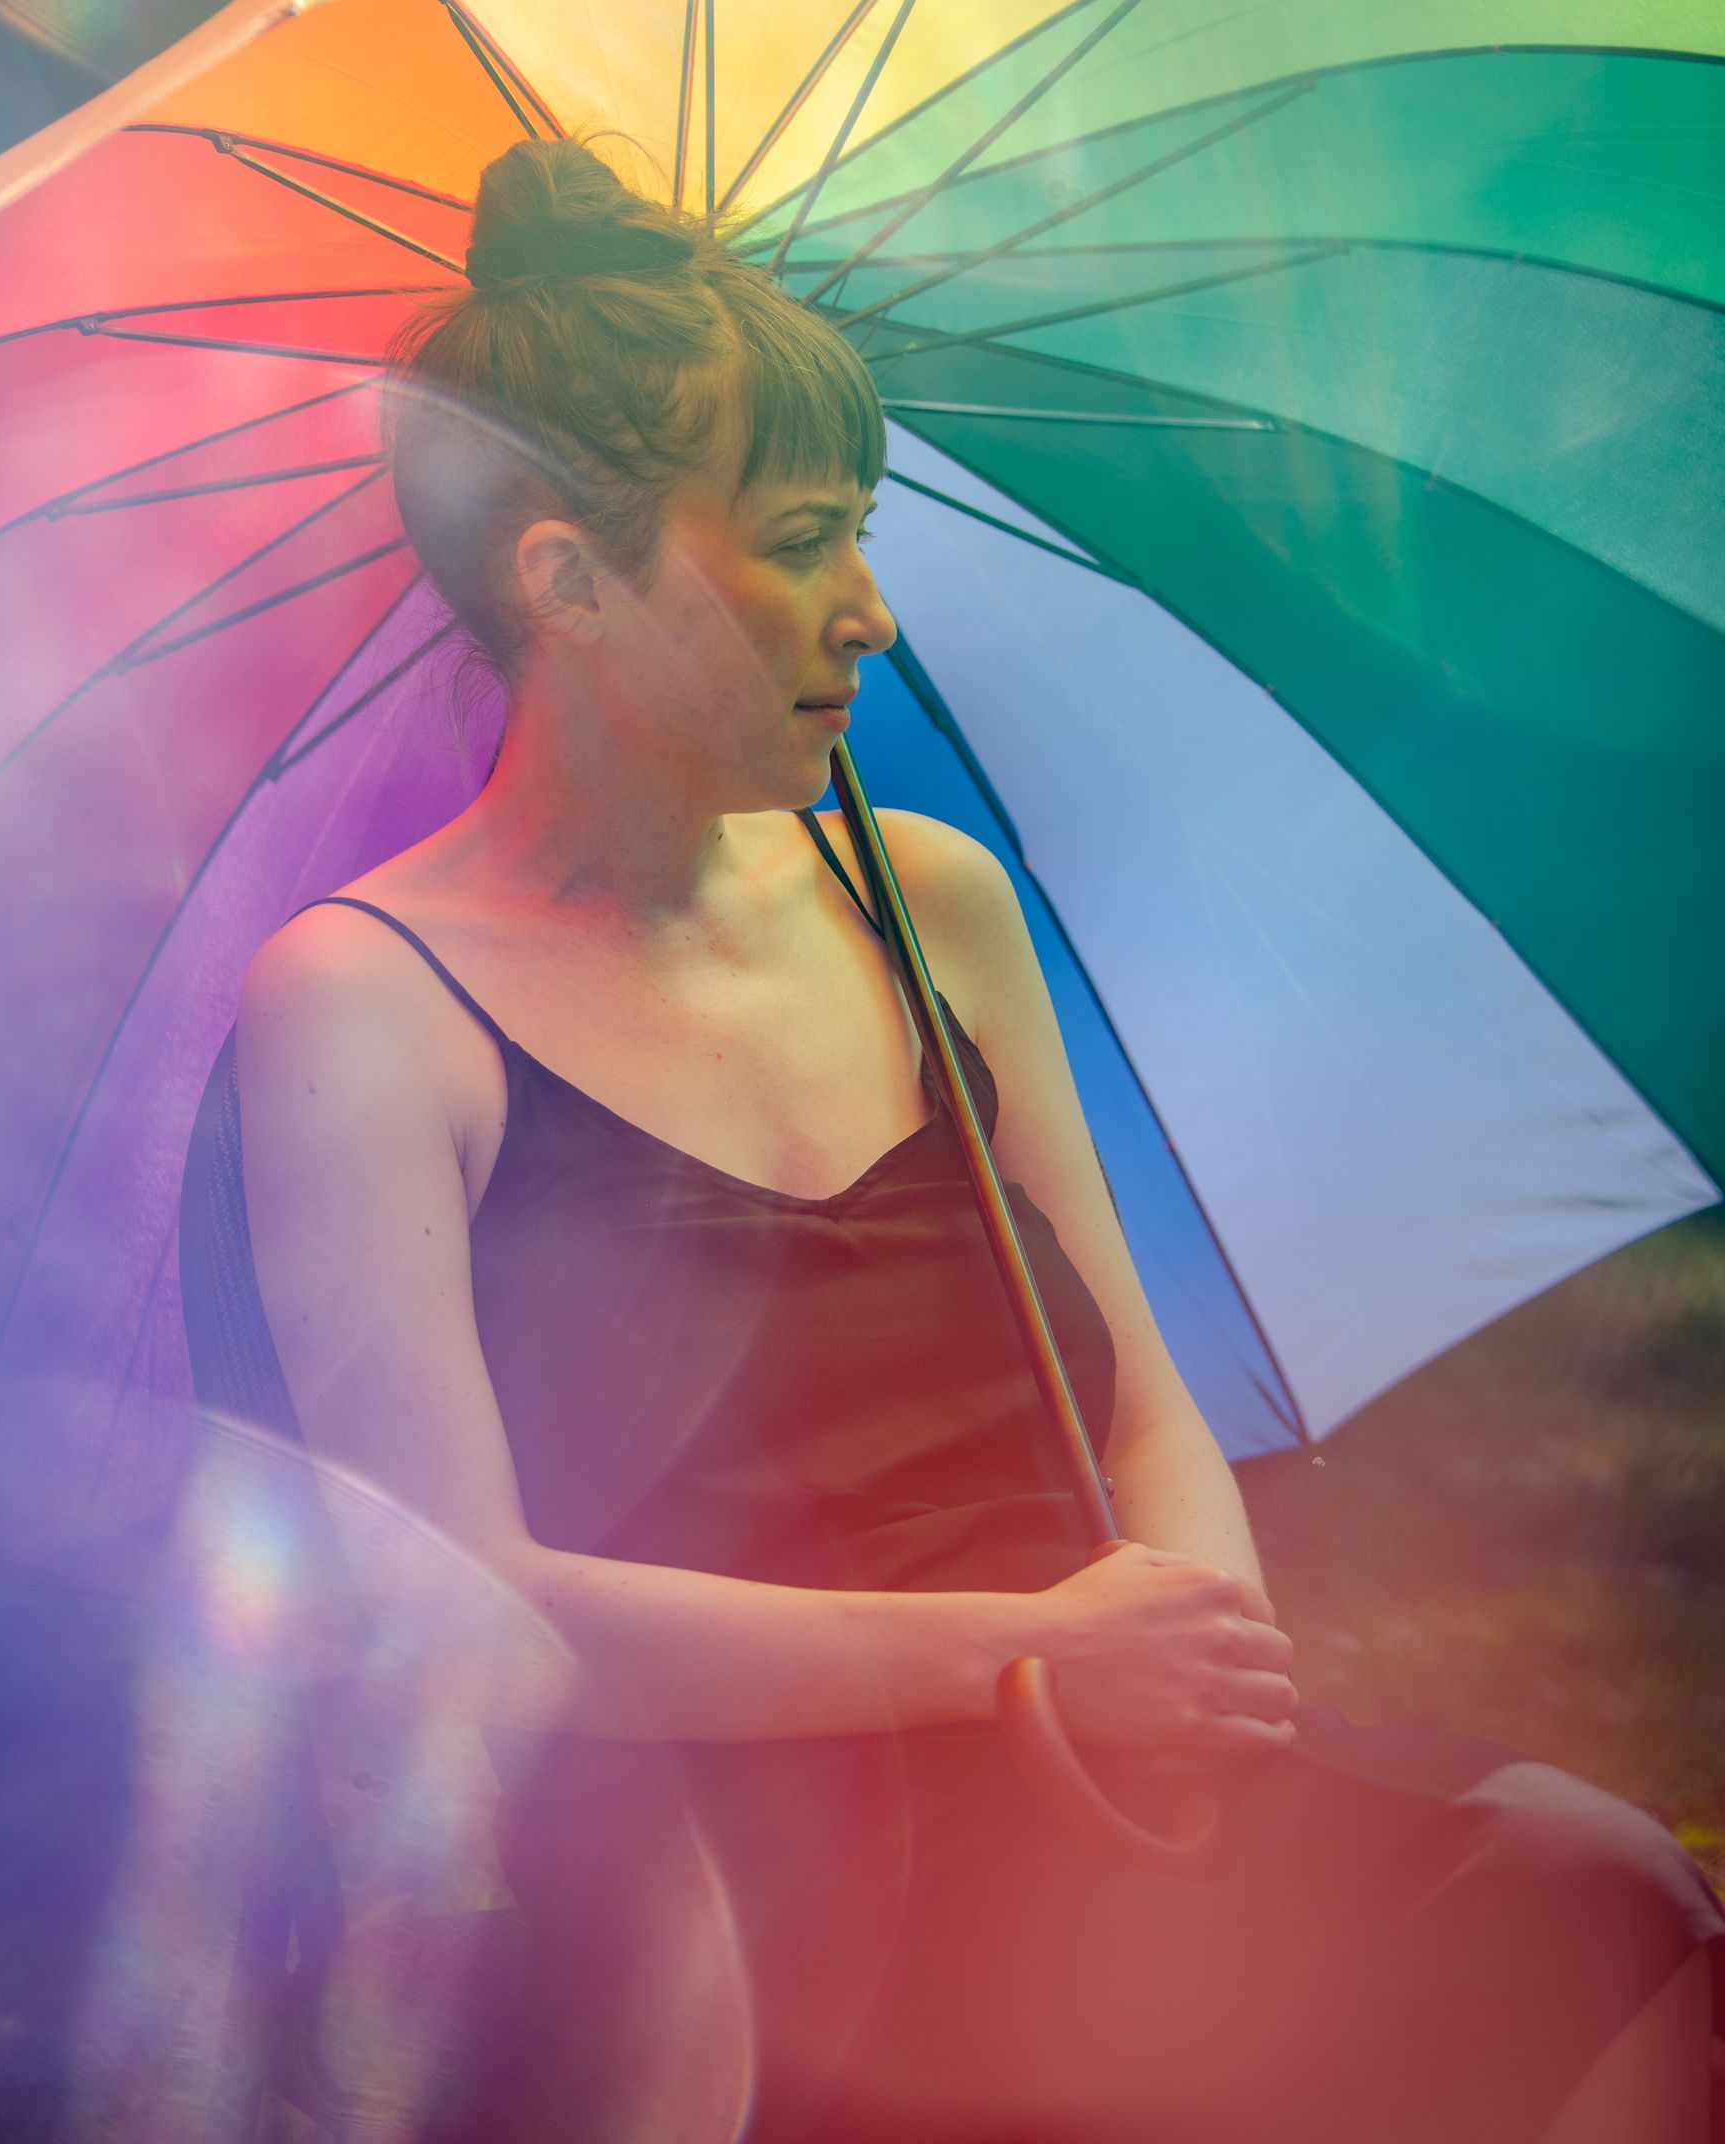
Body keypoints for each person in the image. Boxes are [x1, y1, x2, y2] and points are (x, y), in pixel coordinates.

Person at [185, 137, 1722, 2143]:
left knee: (1597, 1898)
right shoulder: (366, 1006)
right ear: (569, 580)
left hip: (1102, 1775)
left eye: (869, 533)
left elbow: (1146, 1406)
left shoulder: (924, 899)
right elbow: (468, 1610)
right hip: (722, 1878)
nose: (874, 616)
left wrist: (1197, 1680)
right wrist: (1019, 1653)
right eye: (809, 539)